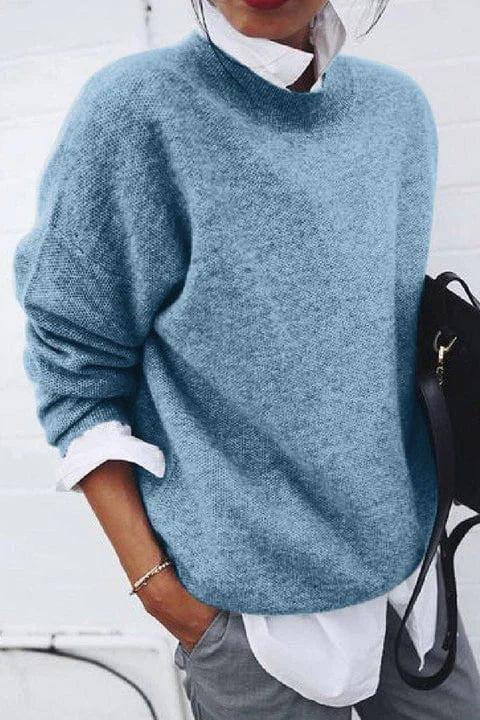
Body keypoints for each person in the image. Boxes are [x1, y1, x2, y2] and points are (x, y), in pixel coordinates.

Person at [12, 0, 480, 717]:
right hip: (245, 621)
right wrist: (164, 595)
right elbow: (73, 369)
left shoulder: (398, 113)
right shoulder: (135, 113)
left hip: (410, 586)